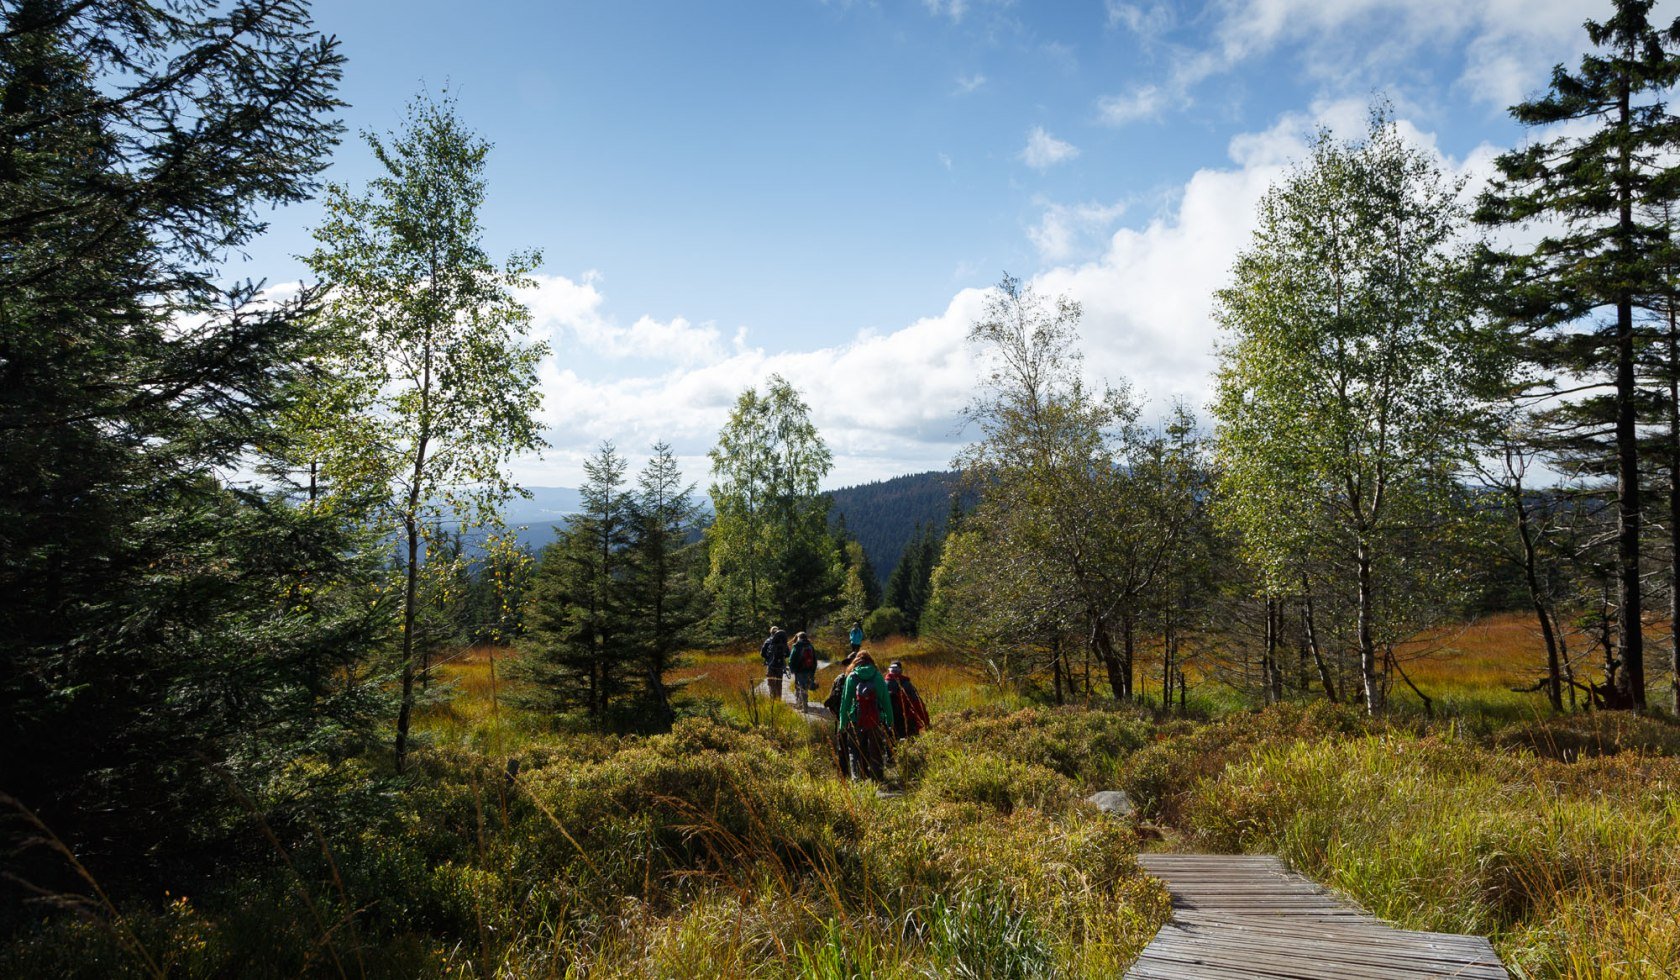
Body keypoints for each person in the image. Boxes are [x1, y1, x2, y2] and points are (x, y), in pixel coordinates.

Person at [839, 653, 894, 781]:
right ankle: (877, 779)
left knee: (855, 750)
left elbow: (845, 702)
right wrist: (889, 720)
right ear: (871, 661)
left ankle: (857, 780)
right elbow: (886, 701)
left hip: (855, 719)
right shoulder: (878, 676)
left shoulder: (852, 677)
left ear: (856, 662)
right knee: (876, 750)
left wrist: (843, 723)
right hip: (875, 719)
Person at [885, 660, 929, 741]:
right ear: (900, 670)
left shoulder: (883, 684)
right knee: (912, 743)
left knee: (892, 745)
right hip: (907, 721)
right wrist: (926, 722)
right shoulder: (906, 684)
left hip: (889, 722)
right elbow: (917, 704)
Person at [789, 631, 819, 712]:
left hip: (800, 671)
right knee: (805, 687)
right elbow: (815, 659)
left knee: (801, 688)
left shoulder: (797, 646)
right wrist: (813, 670)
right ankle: (801, 704)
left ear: (799, 637)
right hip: (809, 670)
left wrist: (792, 669)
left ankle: (804, 707)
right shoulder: (810, 646)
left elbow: (791, 659)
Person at [760, 626, 790, 701]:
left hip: (771, 666)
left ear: (771, 632)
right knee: (779, 683)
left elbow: (762, 653)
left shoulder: (768, 641)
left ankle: (772, 700)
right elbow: (788, 654)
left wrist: (768, 658)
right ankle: (778, 700)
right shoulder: (783, 641)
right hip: (780, 666)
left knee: (771, 683)